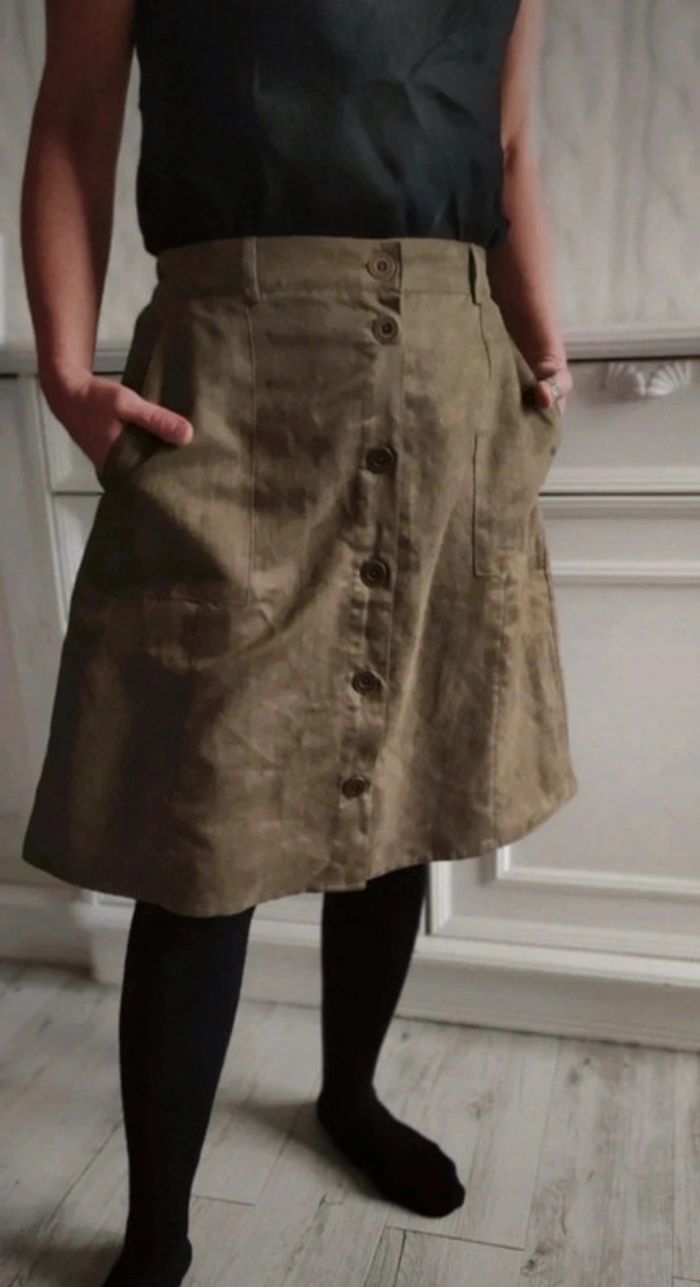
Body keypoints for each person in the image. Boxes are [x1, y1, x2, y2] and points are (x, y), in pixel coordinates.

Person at [20, 1, 578, 1283]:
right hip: (233, 381)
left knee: (407, 774)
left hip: (453, 375)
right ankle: (155, 1235)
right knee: (199, 817)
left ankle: (349, 1096)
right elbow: (76, 115)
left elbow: (505, 148)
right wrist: (63, 368)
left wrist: (542, 341)